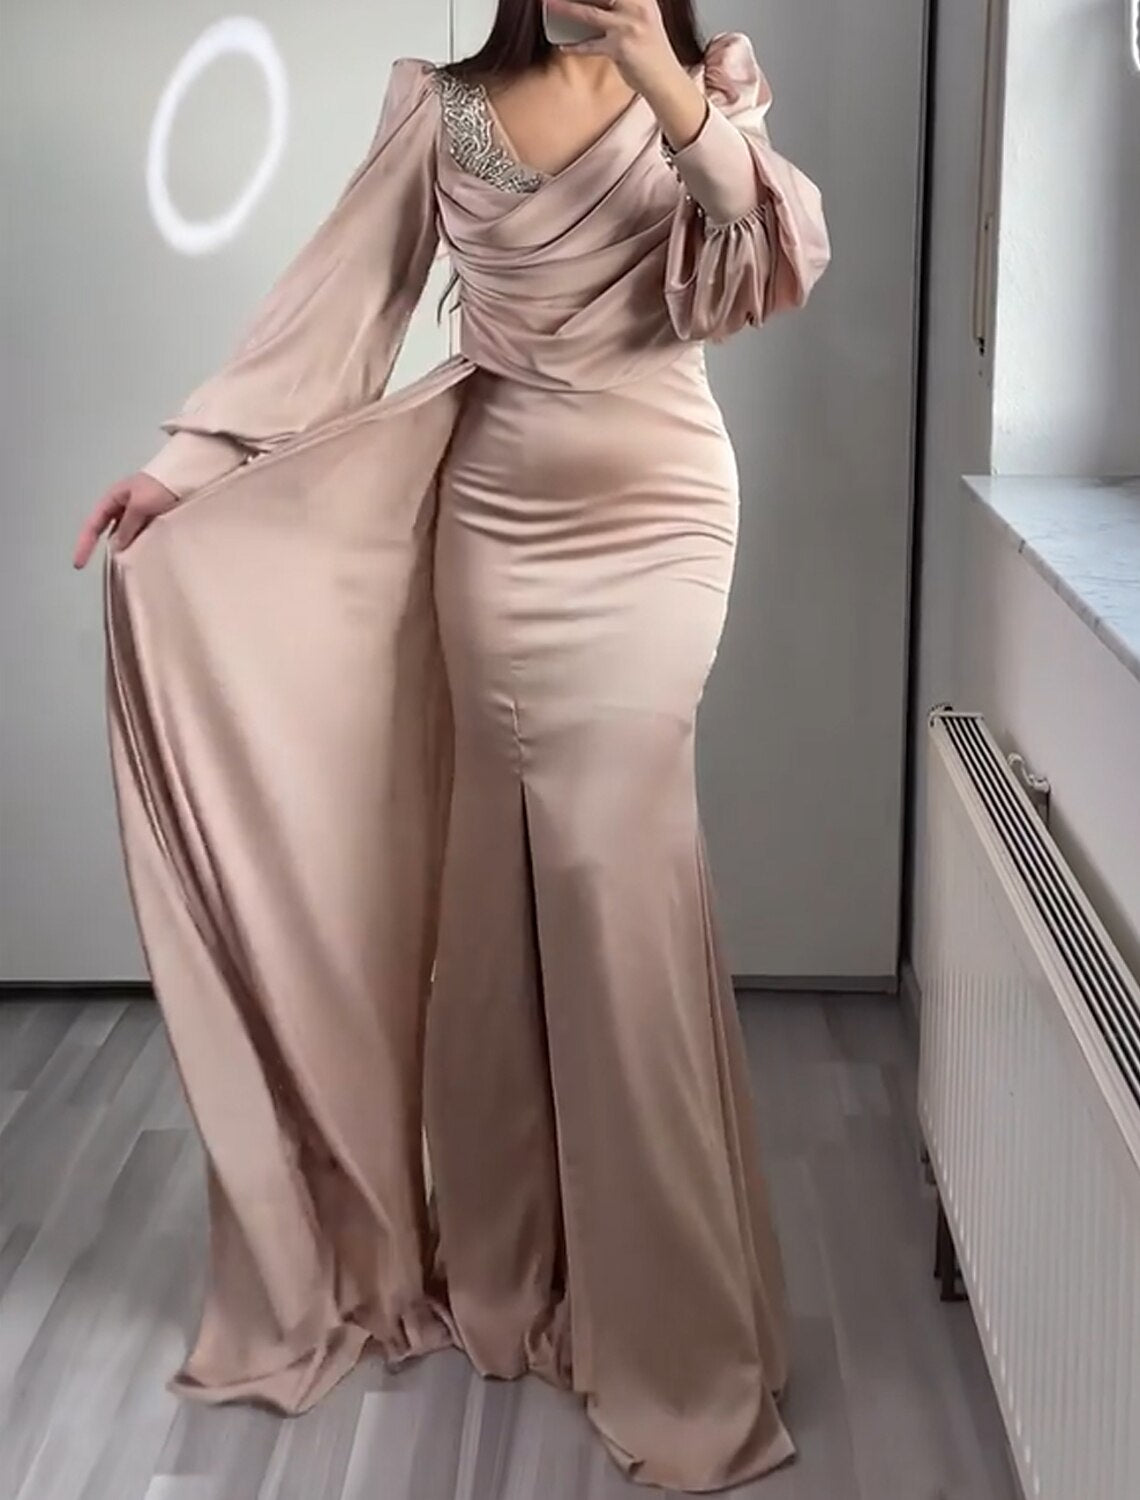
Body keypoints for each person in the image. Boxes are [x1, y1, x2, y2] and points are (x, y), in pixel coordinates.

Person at [73, 0, 829, 1489]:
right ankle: (510, 1268)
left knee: (618, 885)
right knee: (498, 886)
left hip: (662, 513)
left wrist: (659, 74)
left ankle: (676, 1330)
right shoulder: (448, 110)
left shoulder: (707, 84)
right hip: (498, 522)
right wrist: (182, 470)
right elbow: (338, 307)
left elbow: (756, 243)